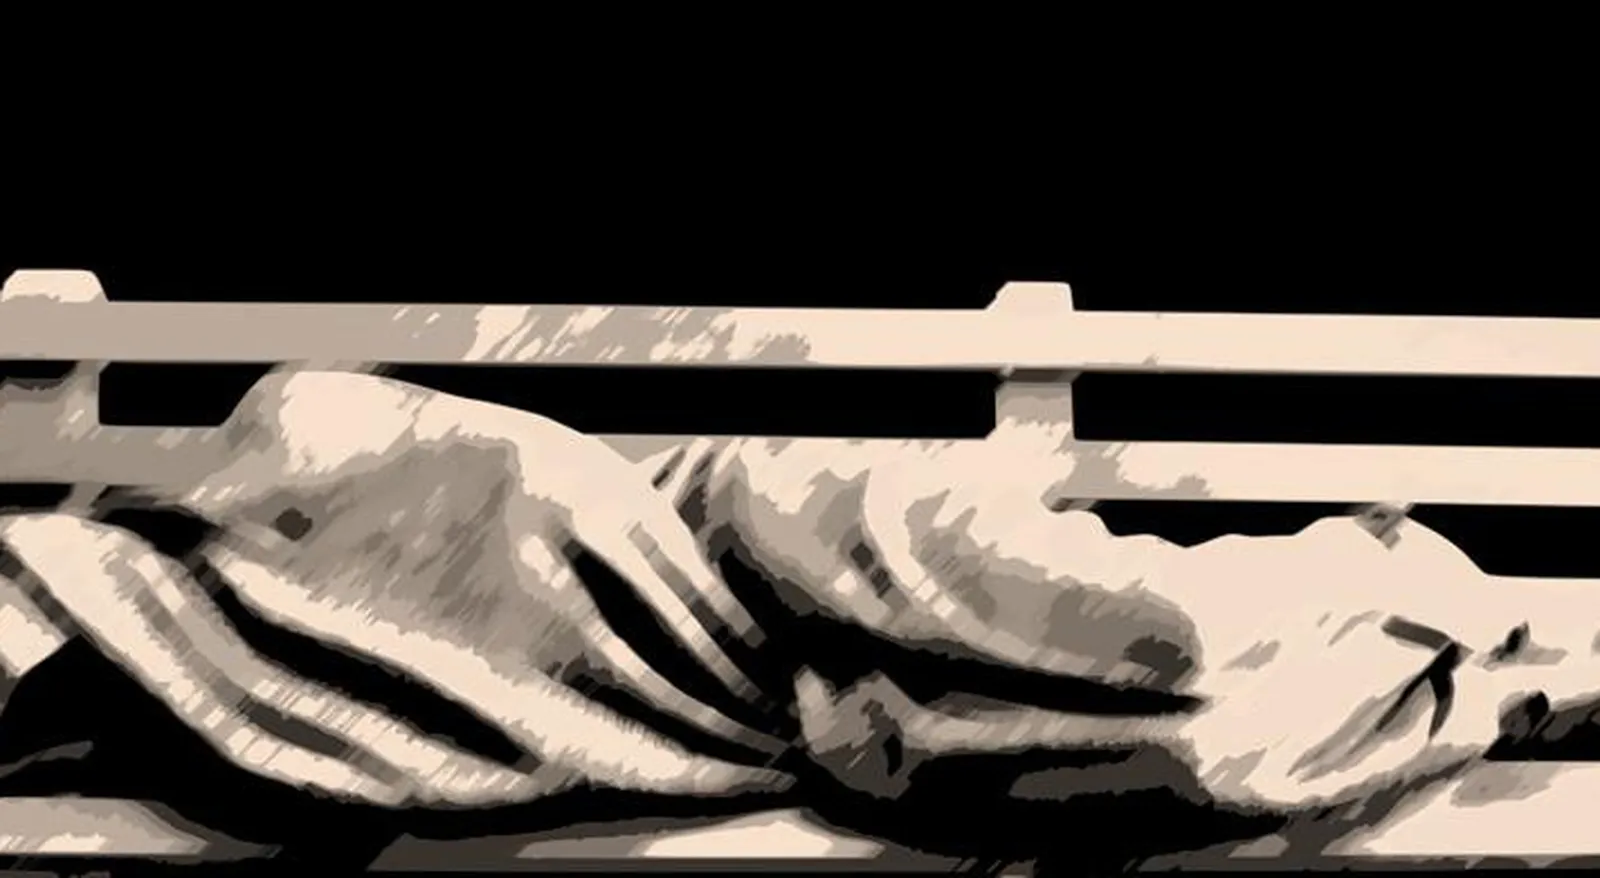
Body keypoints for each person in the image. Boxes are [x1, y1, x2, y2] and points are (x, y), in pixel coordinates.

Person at [1, 369, 1597, 866]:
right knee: (1187, 700)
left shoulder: (116, 601)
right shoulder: (151, 678)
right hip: (728, 621)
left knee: (1177, 657)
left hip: (728, 555)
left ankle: (1405, 614)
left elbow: (355, 457)